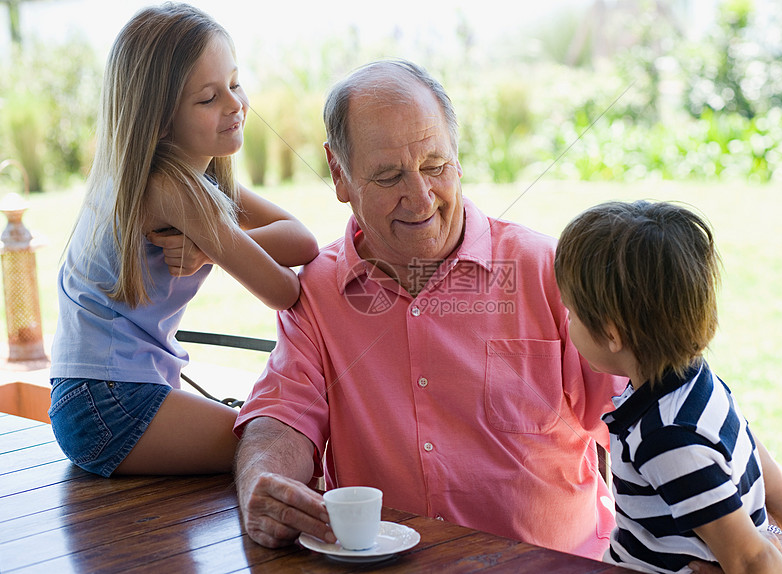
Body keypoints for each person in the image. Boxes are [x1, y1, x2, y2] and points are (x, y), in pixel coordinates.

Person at [232, 59, 628, 559]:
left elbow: (662, 408)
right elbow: (282, 414)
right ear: (339, 174)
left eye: (434, 166)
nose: (419, 197)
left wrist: (750, 527)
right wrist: (266, 482)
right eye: (389, 175)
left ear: (457, 157)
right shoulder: (315, 292)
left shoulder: (549, 270)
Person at [48, 3, 319, 478]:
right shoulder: (169, 187)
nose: (235, 104)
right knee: (276, 446)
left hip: (94, 395)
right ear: (159, 120)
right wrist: (221, 243)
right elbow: (284, 291)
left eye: (235, 84)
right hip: (111, 401)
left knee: (276, 438)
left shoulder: (187, 173)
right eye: (208, 98)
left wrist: (207, 246)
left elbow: (302, 240)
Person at [554, 200, 782, 573]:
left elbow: (751, 559)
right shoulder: (698, 382)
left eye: (571, 313)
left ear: (612, 333)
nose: (567, 322)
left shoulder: (666, 436)